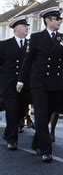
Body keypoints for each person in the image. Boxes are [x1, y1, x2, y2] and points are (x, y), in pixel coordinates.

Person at [17, 7, 63, 163]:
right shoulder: (36, 37)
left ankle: (36, 142)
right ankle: (46, 150)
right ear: (47, 20)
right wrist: (21, 80)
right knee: (40, 114)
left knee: (46, 115)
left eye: (60, 19)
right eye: (57, 19)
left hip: (56, 83)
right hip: (39, 82)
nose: (60, 21)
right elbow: (28, 60)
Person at [0, 16, 30, 150]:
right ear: (16, 28)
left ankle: (9, 133)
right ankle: (12, 139)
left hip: (25, 85)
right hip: (9, 85)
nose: (27, 29)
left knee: (20, 112)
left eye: (27, 27)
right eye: (24, 26)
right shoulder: (4, 45)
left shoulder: (31, 45)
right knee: (11, 111)